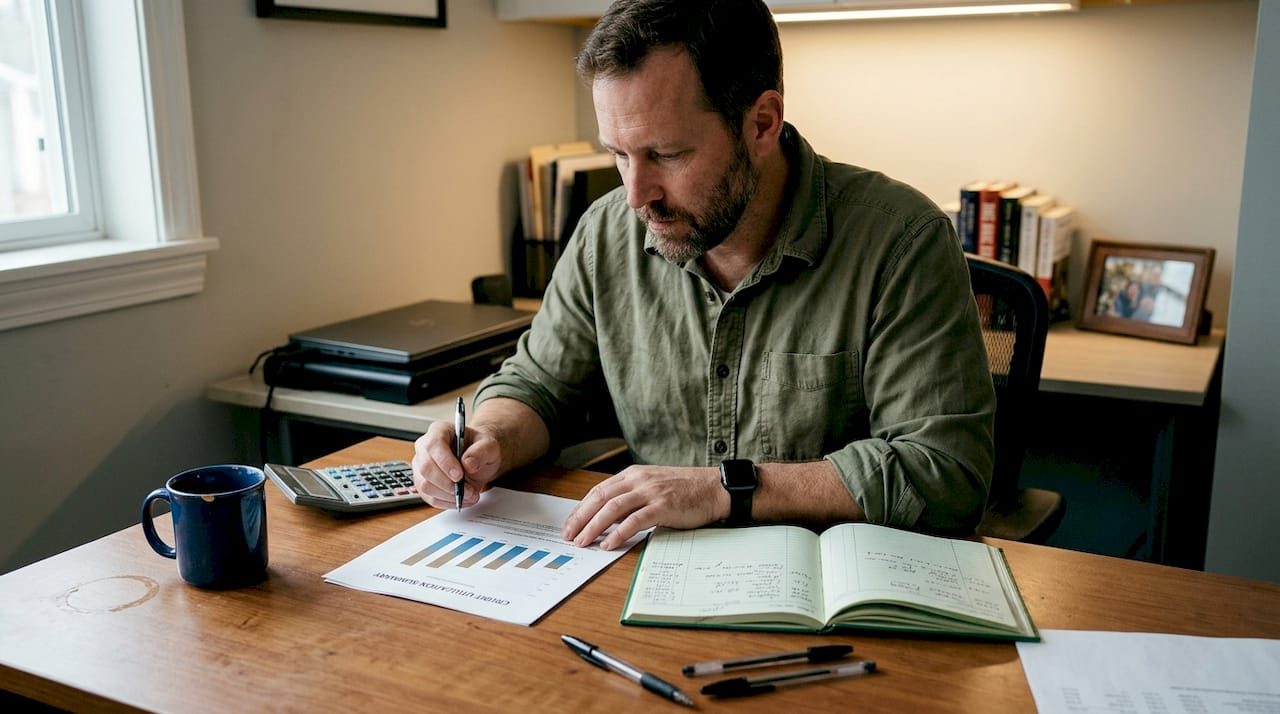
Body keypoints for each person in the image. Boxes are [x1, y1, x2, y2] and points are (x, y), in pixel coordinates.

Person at [412, 0, 995, 550]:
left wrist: (721, 489)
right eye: (619, 153)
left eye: (666, 155)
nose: (636, 194)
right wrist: (488, 438)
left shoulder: (901, 241)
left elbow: (943, 472)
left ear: (762, 124)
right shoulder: (605, 234)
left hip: (828, 596)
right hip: (650, 575)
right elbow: (539, 386)